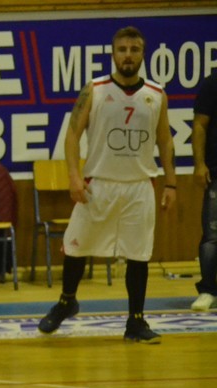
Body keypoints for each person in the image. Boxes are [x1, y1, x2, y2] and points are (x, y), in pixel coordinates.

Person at [38, 26, 176, 342]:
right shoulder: (95, 90)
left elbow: (165, 140)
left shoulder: (156, 94)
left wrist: (171, 183)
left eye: (134, 50)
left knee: (138, 254)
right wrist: (73, 176)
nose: (128, 55)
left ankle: (136, 322)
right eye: (122, 49)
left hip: (139, 185)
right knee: (76, 246)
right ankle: (66, 301)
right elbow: (72, 135)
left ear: (143, 54)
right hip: (98, 183)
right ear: (113, 54)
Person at [191, 70, 217, 312]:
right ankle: (208, 290)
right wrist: (199, 164)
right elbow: (199, 124)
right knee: (212, 235)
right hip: (216, 170)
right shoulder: (213, 82)